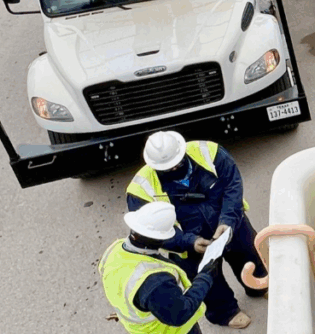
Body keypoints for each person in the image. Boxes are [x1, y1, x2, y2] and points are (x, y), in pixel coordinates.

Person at [126, 131, 267, 330]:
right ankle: (225, 312)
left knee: (249, 253)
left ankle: (259, 286)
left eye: (177, 163)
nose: (175, 168)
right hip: (186, 241)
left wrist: (227, 221)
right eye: (168, 168)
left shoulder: (210, 152)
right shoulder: (141, 190)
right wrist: (189, 242)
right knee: (206, 279)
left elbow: (232, 186)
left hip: (230, 222)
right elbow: (151, 231)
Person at [99, 202, 218, 334]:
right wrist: (205, 277)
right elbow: (179, 313)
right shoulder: (155, 281)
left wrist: (189, 242)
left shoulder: (114, 250)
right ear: (159, 239)